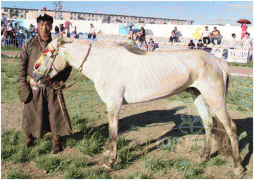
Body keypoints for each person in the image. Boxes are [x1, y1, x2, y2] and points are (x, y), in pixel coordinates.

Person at [17, 13, 73, 154]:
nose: (44, 28)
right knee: (31, 113)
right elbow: (22, 68)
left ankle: (57, 141)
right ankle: (29, 137)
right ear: (37, 26)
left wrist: (60, 81)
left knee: (55, 114)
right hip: (34, 85)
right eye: (41, 24)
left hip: (51, 85)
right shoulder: (29, 44)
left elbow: (67, 65)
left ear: (51, 26)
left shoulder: (57, 45)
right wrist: (23, 85)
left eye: (47, 24)